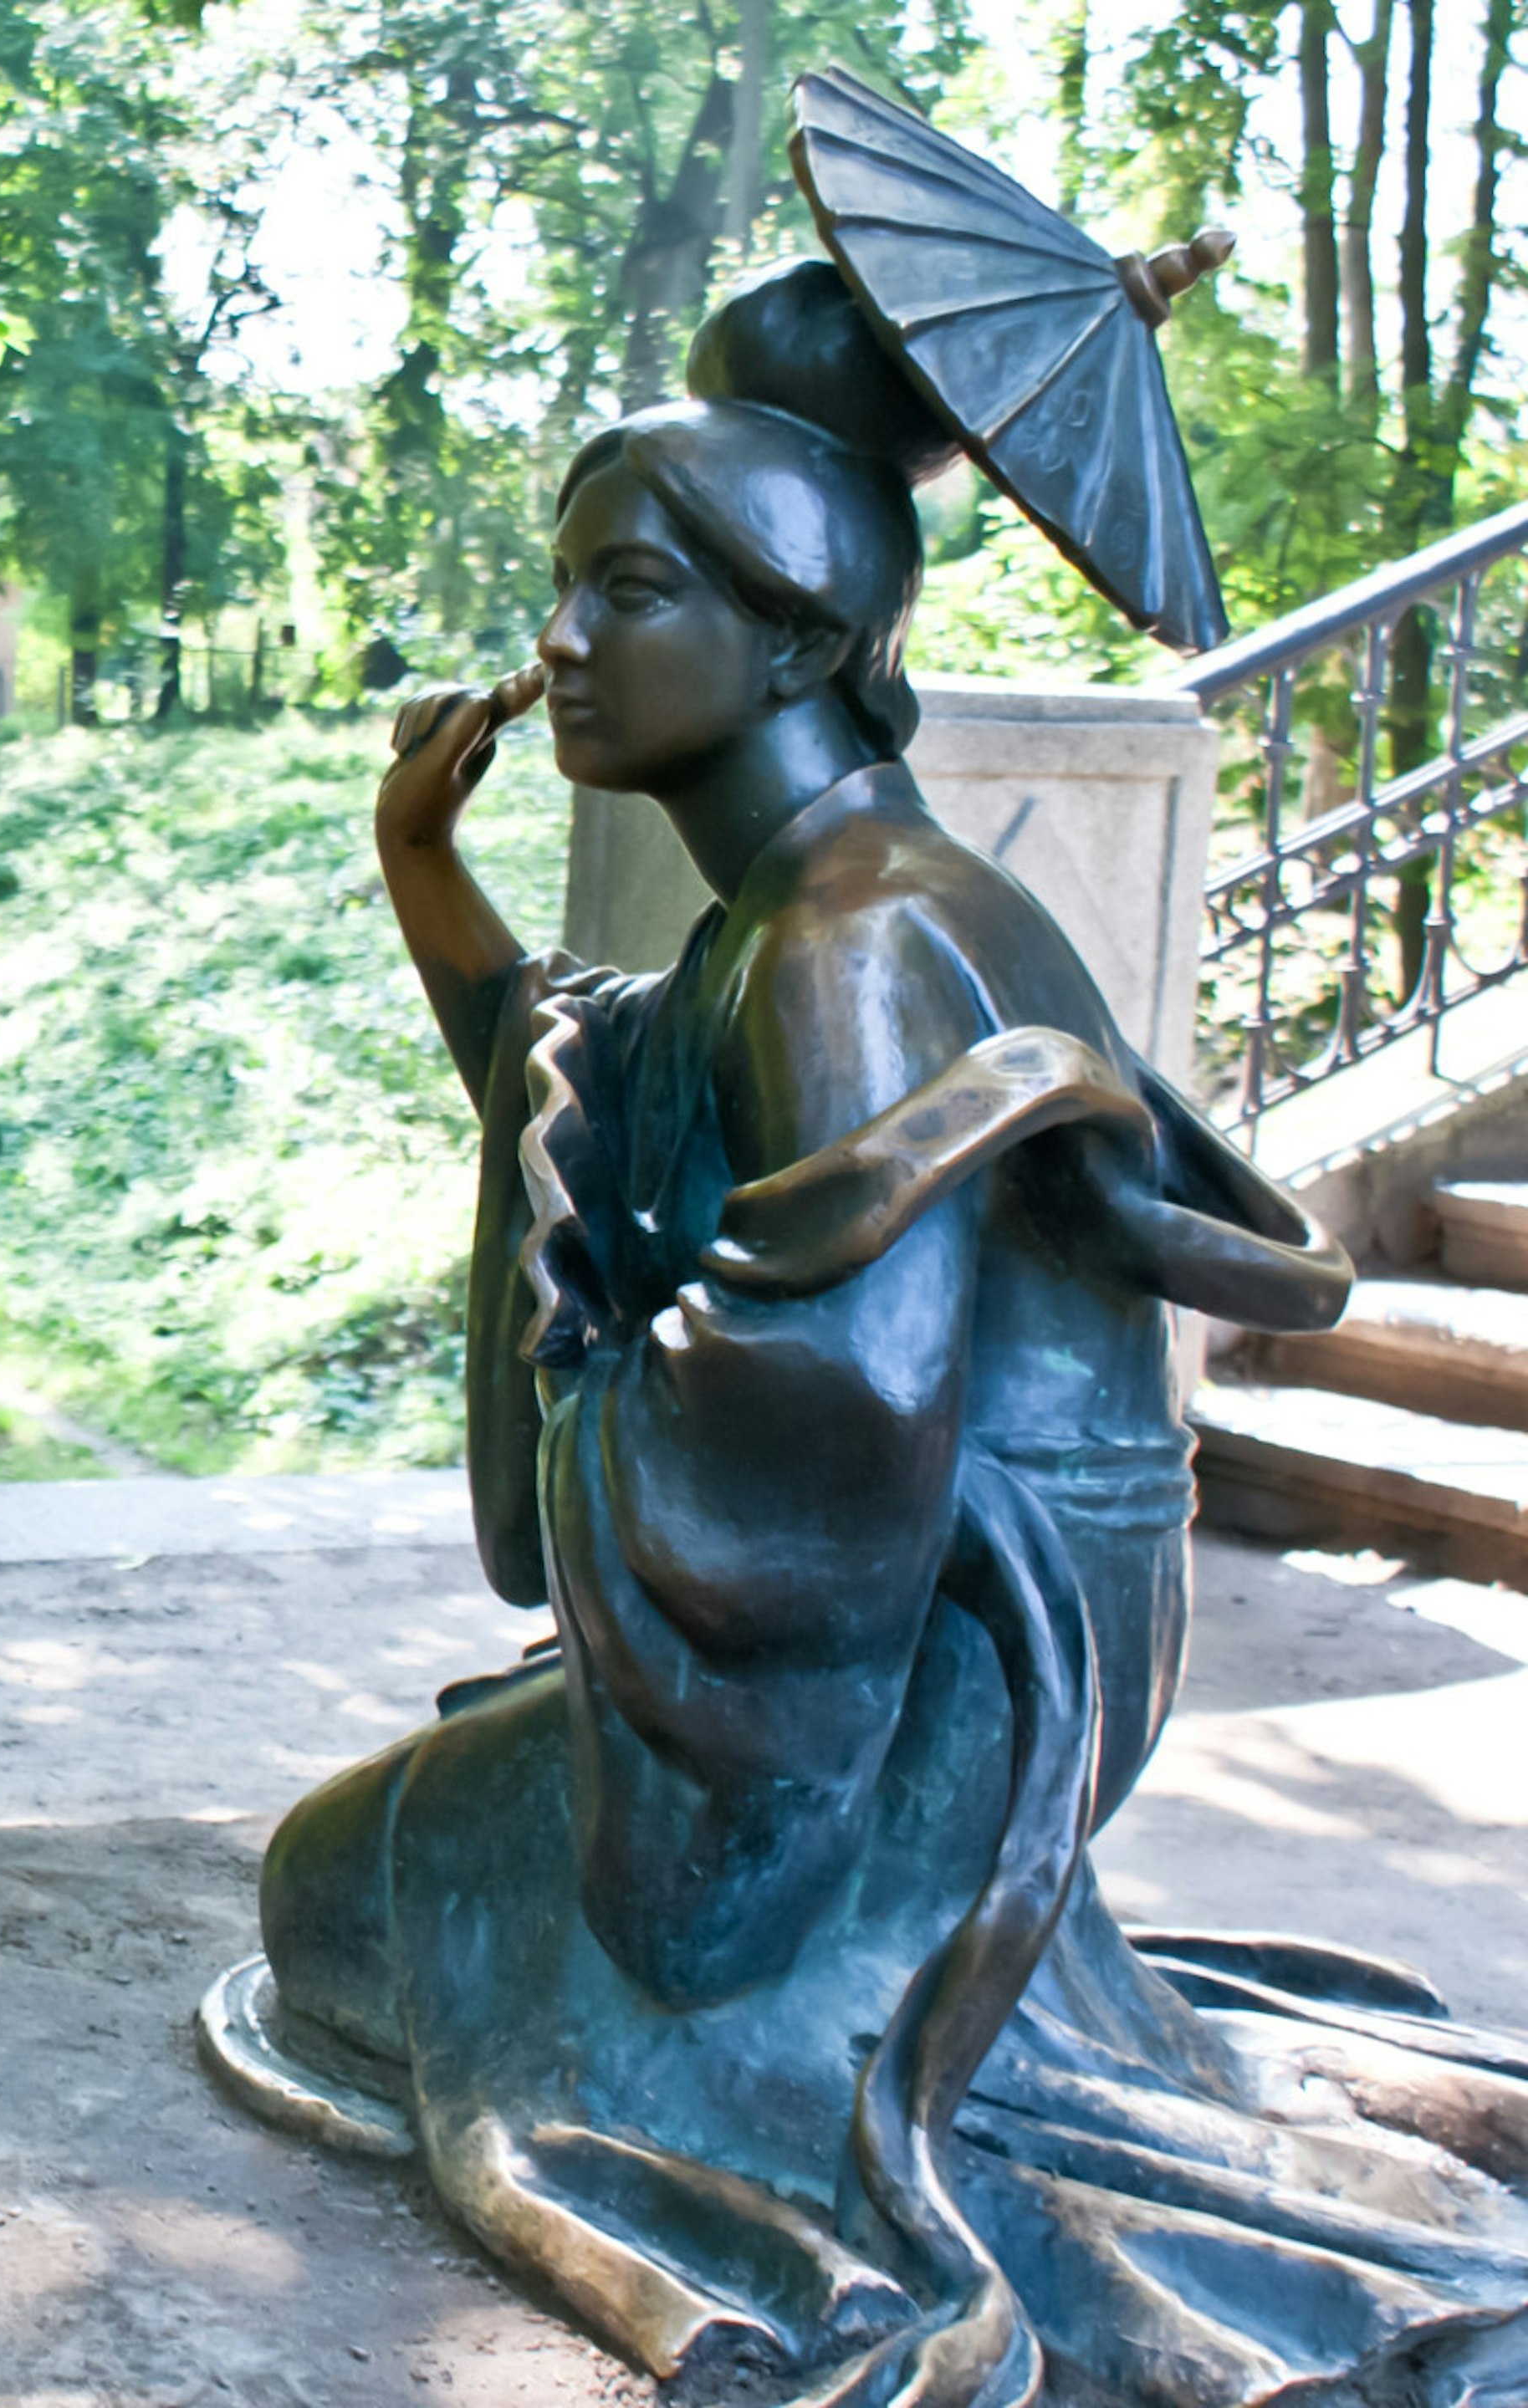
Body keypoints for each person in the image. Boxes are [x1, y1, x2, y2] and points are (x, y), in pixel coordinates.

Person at [222, 262, 1528, 2406]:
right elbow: (582, 1084)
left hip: (926, 1669)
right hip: (886, 1613)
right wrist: (417, 865)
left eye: (622, 589)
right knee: (364, 1893)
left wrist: (584, 1405)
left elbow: (819, 1442)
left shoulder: (856, 941)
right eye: (562, 583)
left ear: (799, 638)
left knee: (345, 1893)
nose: (554, 640)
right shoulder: (798, 914)